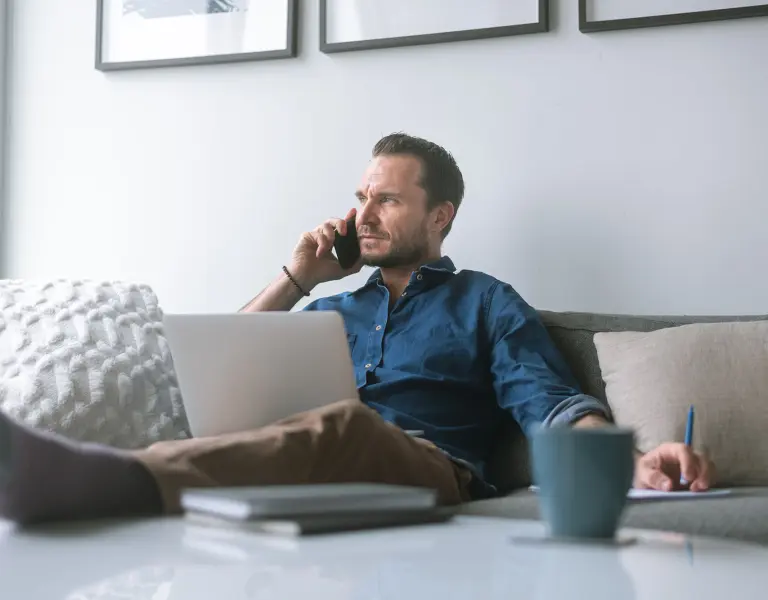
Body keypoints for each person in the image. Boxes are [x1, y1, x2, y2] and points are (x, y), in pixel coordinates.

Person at [0, 133, 714, 525]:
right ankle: (107, 482)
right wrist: (299, 278)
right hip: (314, 468)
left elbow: (546, 400)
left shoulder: (485, 302)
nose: (364, 215)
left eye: (388, 200)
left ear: (441, 217)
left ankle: (101, 477)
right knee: (289, 430)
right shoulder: (332, 310)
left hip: (427, 468)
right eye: (361, 199)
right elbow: (222, 361)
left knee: (347, 426)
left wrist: (633, 459)